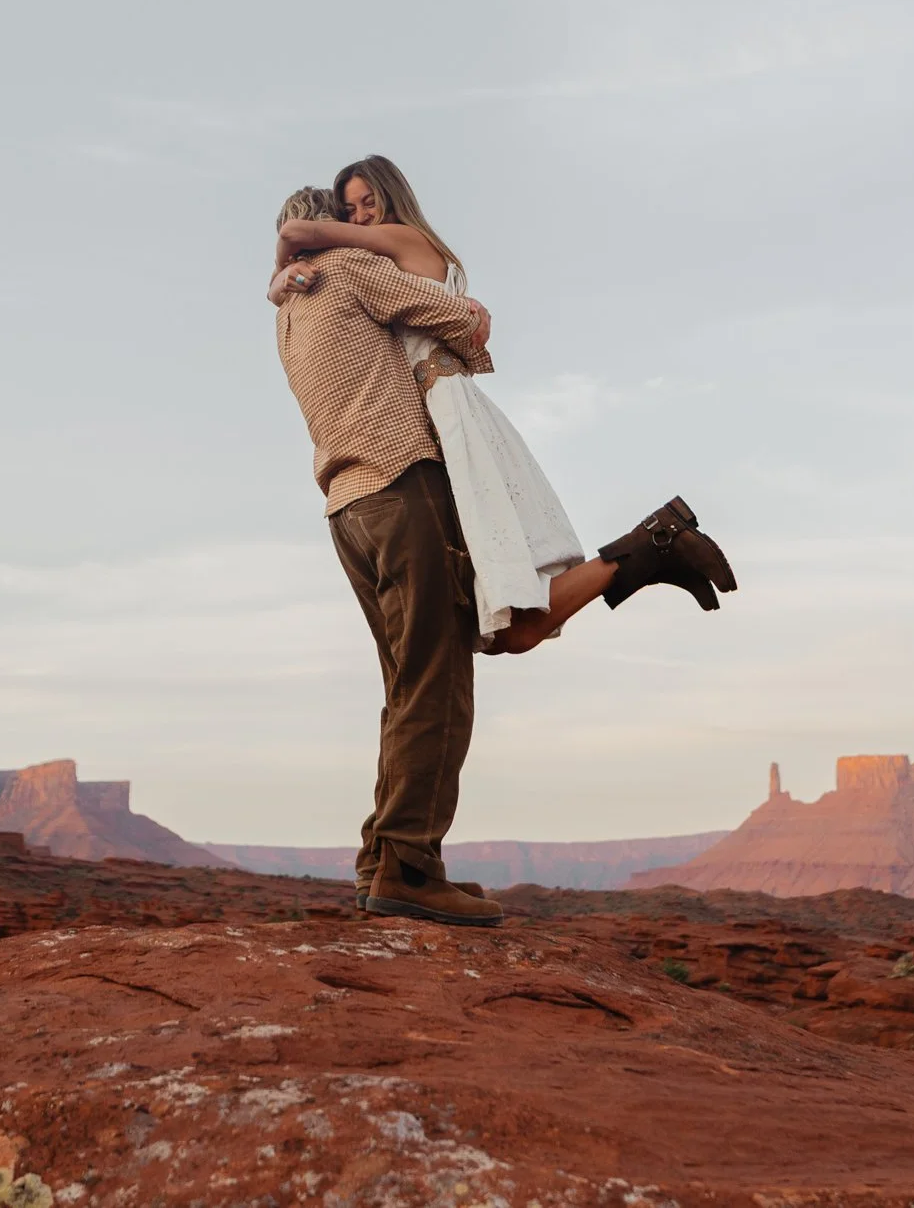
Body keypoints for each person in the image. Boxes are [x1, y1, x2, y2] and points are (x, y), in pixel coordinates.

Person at [268, 165, 736, 929]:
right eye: (346, 213)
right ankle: (409, 864)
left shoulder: (286, 310)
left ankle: (386, 859)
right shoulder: (354, 266)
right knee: (438, 680)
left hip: (344, 509)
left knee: (406, 682)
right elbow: (471, 323)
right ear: (327, 227)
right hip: (401, 486)